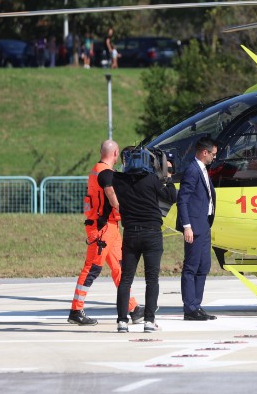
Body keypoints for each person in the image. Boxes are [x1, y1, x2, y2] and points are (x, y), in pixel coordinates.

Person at [68, 140, 143, 326]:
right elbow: (110, 192)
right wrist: (124, 208)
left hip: (110, 227)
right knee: (92, 268)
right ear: (116, 153)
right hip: (101, 228)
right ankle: (76, 310)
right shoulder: (104, 172)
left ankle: (132, 308)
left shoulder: (98, 170)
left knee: (120, 267)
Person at [113, 150, 177, 333]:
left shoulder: (119, 181)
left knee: (126, 279)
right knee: (152, 279)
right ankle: (149, 321)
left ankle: (122, 321)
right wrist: (168, 177)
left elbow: (108, 176)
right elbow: (172, 197)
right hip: (152, 234)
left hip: (130, 234)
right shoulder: (151, 180)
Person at [177, 137, 219, 321]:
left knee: (204, 266)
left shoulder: (202, 169)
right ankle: (190, 308)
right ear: (204, 152)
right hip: (194, 226)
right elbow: (182, 199)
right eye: (213, 154)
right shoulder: (192, 171)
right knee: (191, 267)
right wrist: (187, 226)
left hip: (204, 224)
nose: (214, 158)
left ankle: (197, 305)